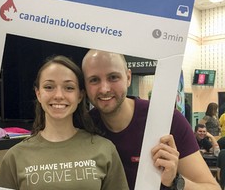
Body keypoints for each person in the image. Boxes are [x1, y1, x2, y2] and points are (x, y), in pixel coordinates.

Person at [0, 55, 129, 190]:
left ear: (80, 95)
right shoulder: (16, 156)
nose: (58, 95)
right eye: (49, 87)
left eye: (69, 87)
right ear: (38, 93)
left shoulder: (104, 149)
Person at [81, 49, 221, 190]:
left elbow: (212, 188)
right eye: (94, 80)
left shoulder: (169, 121)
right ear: (85, 86)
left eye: (113, 77)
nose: (104, 88)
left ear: (128, 77)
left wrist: (175, 180)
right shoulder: (83, 127)